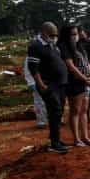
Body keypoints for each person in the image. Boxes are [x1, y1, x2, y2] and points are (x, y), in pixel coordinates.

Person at [27, 22, 70, 153]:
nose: (54, 37)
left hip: (60, 84)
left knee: (58, 111)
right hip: (48, 84)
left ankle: (55, 139)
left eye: (56, 35)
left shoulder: (52, 46)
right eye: (52, 35)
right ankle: (54, 143)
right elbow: (33, 68)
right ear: (44, 33)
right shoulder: (36, 46)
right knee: (55, 110)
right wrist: (41, 84)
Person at [58, 25, 90, 148]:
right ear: (66, 35)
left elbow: (86, 62)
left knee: (84, 110)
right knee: (75, 110)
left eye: (76, 34)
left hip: (86, 82)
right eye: (73, 34)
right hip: (74, 82)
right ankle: (76, 139)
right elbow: (71, 67)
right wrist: (85, 78)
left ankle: (85, 137)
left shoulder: (80, 46)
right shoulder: (64, 47)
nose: (75, 36)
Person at [23, 56, 48, 128]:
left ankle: (57, 119)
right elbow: (27, 69)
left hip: (50, 80)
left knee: (55, 100)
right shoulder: (32, 52)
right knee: (39, 101)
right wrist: (30, 82)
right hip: (37, 80)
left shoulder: (52, 48)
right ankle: (42, 121)